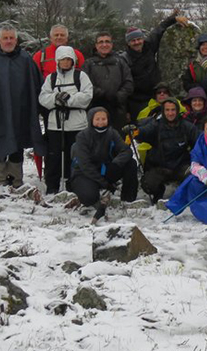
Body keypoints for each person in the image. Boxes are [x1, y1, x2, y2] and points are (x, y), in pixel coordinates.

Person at [0, 24, 44, 187]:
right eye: (5, 38)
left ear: (16, 40)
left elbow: (36, 85)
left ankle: (15, 177)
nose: (8, 41)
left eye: (11, 38)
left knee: (17, 142)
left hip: (20, 110)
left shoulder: (26, 59)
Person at [38, 47, 94, 194]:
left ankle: (74, 184)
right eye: (63, 59)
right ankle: (52, 186)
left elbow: (87, 96)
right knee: (53, 156)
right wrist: (56, 99)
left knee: (75, 156)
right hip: (55, 124)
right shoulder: (51, 78)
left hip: (77, 124)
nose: (66, 62)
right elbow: (43, 97)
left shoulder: (81, 76)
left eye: (69, 59)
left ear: (73, 61)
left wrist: (68, 99)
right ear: (58, 61)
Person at [69, 107, 139, 221]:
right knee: (89, 198)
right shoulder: (82, 136)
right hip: (84, 174)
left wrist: (115, 164)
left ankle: (128, 199)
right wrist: (105, 183)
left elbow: (127, 151)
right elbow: (85, 165)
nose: (101, 122)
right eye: (97, 119)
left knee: (131, 163)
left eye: (103, 119)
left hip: (105, 169)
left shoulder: (112, 133)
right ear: (91, 120)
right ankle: (95, 195)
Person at [131, 99, 199, 203]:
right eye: (167, 110)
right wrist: (136, 131)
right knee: (148, 184)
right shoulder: (156, 125)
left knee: (193, 176)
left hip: (181, 166)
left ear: (177, 111)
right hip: (160, 167)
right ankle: (158, 194)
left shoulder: (186, 126)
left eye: (173, 110)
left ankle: (185, 195)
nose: (170, 113)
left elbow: (199, 140)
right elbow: (144, 131)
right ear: (163, 111)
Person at [122, 9, 188, 117]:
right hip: (136, 101)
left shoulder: (149, 46)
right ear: (128, 43)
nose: (137, 42)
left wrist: (174, 18)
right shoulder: (125, 59)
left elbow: (159, 29)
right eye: (133, 41)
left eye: (139, 39)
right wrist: (126, 110)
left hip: (155, 96)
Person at [83, 31, 134, 130]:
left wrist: (118, 96)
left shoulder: (121, 62)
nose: (104, 44)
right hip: (96, 109)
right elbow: (85, 85)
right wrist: (102, 95)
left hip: (118, 109)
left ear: (111, 44)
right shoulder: (88, 64)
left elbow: (129, 83)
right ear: (96, 45)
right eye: (101, 42)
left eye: (107, 41)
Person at [180, 33, 207, 114]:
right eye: (203, 45)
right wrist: (199, 86)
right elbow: (186, 84)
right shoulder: (193, 65)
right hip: (199, 102)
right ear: (199, 47)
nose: (205, 47)